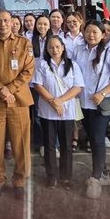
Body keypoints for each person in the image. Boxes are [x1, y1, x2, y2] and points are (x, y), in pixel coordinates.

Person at [0, 10, 36, 196]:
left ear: (13, 22)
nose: (3, 24)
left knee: (20, 143)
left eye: (6, 20)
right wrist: (1, 90)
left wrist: (10, 89)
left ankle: (19, 181)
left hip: (19, 101)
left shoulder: (24, 43)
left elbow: (28, 71)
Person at [78, 22, 110, 198]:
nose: (91, 35)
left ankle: (95, 178)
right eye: (88, 31)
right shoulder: (79, 51)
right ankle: (103, 172)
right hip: (83, 102)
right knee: (91, 137)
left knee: (97, 140)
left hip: (100, 103)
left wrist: (102, 93)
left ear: (103, 34)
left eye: (95, 32)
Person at [33, 34, 85, 190]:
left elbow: (77, 87)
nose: (54, 50)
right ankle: (51, 176)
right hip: (47, 112)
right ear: (46, 50)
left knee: (66, 146)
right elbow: (37, 85)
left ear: (63, 48)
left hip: (66, 112)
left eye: (57, 46)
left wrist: (59, 102)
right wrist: (53, 102)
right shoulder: (42, 65)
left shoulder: (72, 65)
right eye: (51, 47)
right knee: (49, 145)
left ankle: (66, 177)